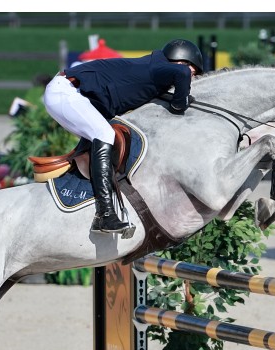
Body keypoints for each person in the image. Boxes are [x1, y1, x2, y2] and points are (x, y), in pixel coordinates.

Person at [43, 39, 203, 233]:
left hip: (72, 94)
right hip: (66, 92)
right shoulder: (162, 68)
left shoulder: (154, 69)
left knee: (104, 133)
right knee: (104, 133)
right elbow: (183, 74)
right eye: (193, 70)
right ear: (179, 61)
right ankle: (105, 215)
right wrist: (180, 102)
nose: (191, 77)